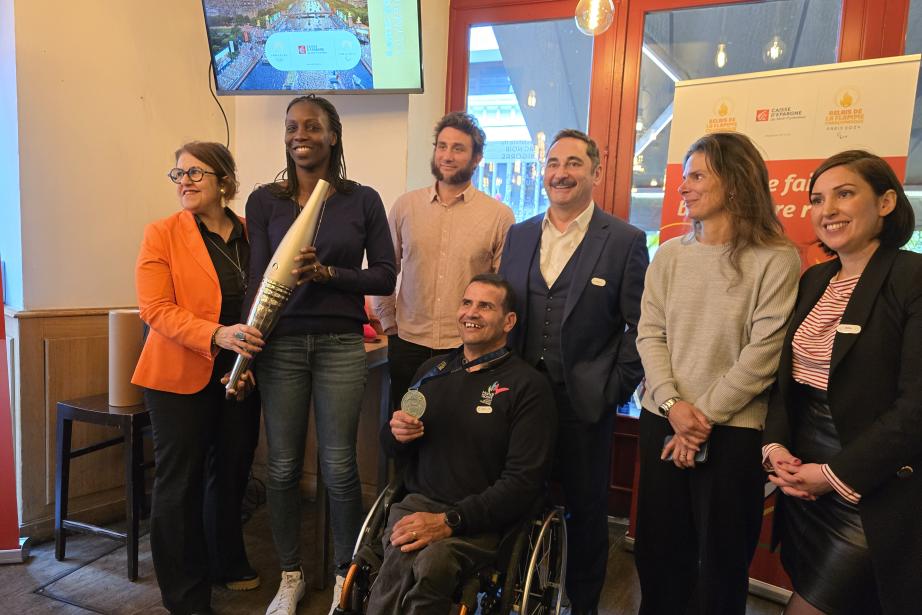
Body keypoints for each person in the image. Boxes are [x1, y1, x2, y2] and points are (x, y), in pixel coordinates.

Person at [634, 132, 800, 614]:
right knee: (659, 555)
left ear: (733, 183)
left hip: (732, 435)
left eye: (697, 175)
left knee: (721, 564)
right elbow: (650, 335)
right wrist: (673, 408)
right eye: (684, 175)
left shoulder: (776, 258)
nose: (683, 186)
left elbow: (762, 354)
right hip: (661, 420)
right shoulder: (669, 255)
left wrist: (698, 419)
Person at [243, 95, 396, 615]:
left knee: (339, 468)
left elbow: (385, 275)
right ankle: (291, 576)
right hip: (280, 345)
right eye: (291, 127)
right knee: (282, 468)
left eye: (312, 126)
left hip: (339, 344)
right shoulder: (265, 200)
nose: (299, 134)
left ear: (333, 135)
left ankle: (343, 576)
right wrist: (245, 352)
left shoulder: (362, 200)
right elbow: (258, 282)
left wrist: (329, 274)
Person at [763, 151, 922, 615]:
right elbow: (783, 381)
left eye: (845, 194)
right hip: (802, 480)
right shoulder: (815, 279)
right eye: (817, 199)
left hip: (869, 489)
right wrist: (774, 449)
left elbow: (916, 406)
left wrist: (834, 476)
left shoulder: (911, 277)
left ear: (887, 202)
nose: (827, 210)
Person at [499, 129, 648, 615]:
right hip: (520, 396)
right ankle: (519, 592)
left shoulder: (624, 240)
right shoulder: (519, 235)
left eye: (574, 164)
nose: (561, 173)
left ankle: (582, 604)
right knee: (519, 495)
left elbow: (639, 324)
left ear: (595, 173)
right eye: (553, 163)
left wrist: (614, 386)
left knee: (586, 511)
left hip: (585, 399)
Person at [366, 274, 557, 615]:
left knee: (432, 565)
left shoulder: (528, 387)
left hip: (480, 518)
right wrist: (395, 434)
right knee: (399, 551)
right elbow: (392, 449)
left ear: (508, 321)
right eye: (466, 303)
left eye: (485, 306)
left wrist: (450, 520)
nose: (472, 313)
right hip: (418, 503)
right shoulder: (432, 370)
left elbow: (522, 484)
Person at [133, 141, 264, 615]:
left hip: (239, 374)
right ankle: (186, 596)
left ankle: (226, 561)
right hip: (176, 378)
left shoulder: (254, 233)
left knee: (231, 473)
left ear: (225, 181)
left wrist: (245, 363)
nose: (184, 181)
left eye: (196, 173)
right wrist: (218, 336)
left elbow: (265, 302)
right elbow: (156, 310)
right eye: (179, 174)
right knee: (180, 485)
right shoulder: (161, 233)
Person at [371, 111, 514, 411]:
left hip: (466, 346)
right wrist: (388, 322)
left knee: (457, 434)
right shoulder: (405, 206)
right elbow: (383, 270)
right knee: (405, 431)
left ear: (477, 158)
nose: (447, 156)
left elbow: (503, 289)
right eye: (442, 146)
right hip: (408, 341)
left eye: (458, 148)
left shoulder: (498, 216)